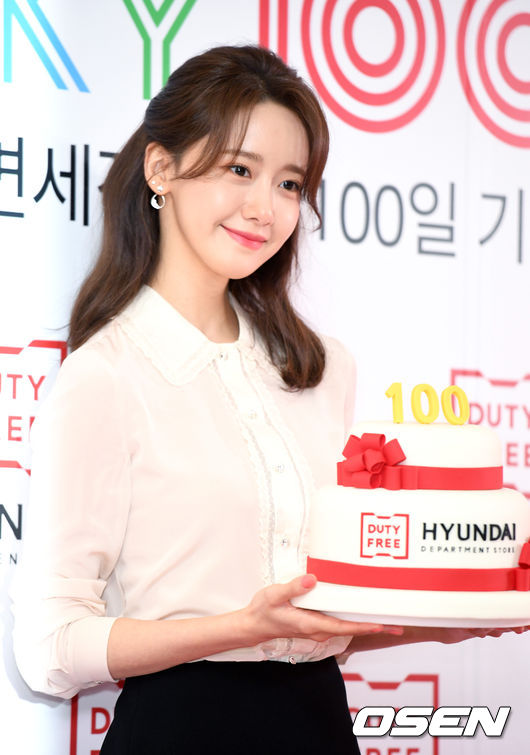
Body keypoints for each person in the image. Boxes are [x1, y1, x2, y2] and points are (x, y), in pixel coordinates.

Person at [10, 45, 524, 755]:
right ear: (161, 168)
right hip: (181, 730)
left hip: (317, 723)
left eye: (290, 183)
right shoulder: (106, 375)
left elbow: (318, 623)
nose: (267, 207)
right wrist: (239, 627)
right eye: (240, 170)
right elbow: (49, 645)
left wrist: (457, 612)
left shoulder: (318, 368)